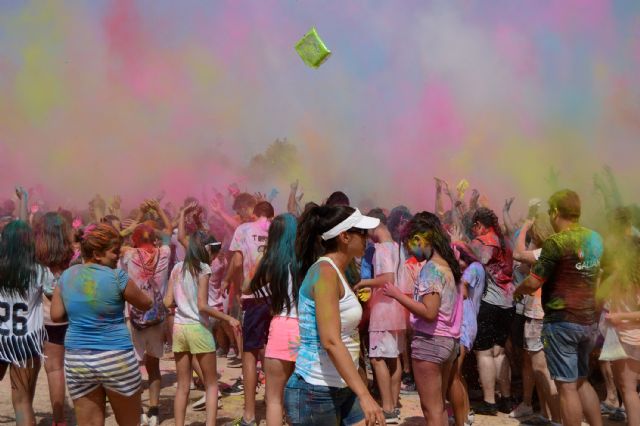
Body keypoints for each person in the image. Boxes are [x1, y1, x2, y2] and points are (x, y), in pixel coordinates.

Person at [284, 204, 385, 426]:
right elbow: (330, 340)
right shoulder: (325, 273)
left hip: (344, 385)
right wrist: (365, 395)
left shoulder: (338, 271)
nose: (367, 237)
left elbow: (346, 335)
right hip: (315, 391)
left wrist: (359, 380)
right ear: (344, 237)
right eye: (362, 232)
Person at [515, 189, 604, 426]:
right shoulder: (595, 238)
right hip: (588, 321)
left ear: (555, 212)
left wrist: (517, 290)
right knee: (582, 381)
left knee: (566, 387)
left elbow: (534, 281)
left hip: (562, 322)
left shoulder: (556, 242)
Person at [50, 223, 152, 426]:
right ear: (97, 253)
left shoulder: (67, 276)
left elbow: (56, 315)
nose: (118, 256)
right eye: (114, 252)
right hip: (116, 359)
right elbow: (145, 303)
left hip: (79, 361)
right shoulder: (117, 277)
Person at [384, 213, 463, 426]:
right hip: (447, 342)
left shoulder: (431, 269)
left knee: (432, 410)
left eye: (410, 243)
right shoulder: (447, 264)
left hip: (430, 342)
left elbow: (429, 312)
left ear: (420, 239)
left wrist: (397, 295)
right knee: (439, 406)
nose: (409, 250)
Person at [164, 230, 241, 426]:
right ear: (206, 249)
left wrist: (181, 304)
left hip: (180, 329)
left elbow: (167, 301)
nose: (213, 256)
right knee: (212, 384)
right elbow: (202, 305)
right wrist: (228, 318)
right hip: (198, 328)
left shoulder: (177, 269)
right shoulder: (203, 269)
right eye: (213, 251)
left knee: (183, 386)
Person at [119, 199, 172, 426]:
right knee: (154, 367)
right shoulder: (165, 253)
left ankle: (138, 411)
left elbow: (114, 239)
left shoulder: (129, 255)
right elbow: (169, 232)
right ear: (154, 239)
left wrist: (139, 215)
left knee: (133, 367)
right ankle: (154, 410)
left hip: (135, 318)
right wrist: (158, 210)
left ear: (135, 239)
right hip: (157, 318)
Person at [244, 213, 300, 426]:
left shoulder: (271, 261)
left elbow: (247, 288)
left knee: (274, 399)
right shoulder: (306, 259)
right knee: (298, 396)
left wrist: (262, 258)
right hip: (303, 328)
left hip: (280, 326)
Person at [223, 201, 274, 426]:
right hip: (276, 298)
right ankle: (276, 406)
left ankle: (250, 415)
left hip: (253, 298)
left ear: (254, 214)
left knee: (250, 354)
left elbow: (236, 260)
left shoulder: (243, 229)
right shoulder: (279, 229)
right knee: (272, 352)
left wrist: (227, 281)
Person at [354, 210, 406, 424]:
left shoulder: (382, 249)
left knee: (377, 359)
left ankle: (387, 407)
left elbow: (387, 278)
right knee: (393, 358)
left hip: (383, 311)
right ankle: (392, 404)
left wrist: (363, 283)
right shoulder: (397, 247)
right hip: (396, 310)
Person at [512, 216, 561, 424]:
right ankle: (546, 415)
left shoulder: (544, 252)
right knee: (541, 368)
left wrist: (524, 226)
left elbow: (517, 254)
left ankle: (556, 419)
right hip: (547, 314)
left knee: (541, 368)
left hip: (538, 315)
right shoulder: (556, 250)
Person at [0, 220, 47, 425]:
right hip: (24, 343)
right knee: (22, 402)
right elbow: (56, 303)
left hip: (0, 337)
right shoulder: (39, 271)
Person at [469, 207, 515, 415]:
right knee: (500, 352)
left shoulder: (482, 241)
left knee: (485, 353)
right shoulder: (505, 241)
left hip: (490, 302)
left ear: (479, 224)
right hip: (508, 303)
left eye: (474, 227)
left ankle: (489, 402)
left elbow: (477, 260)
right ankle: (505, 399)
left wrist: (461, 243)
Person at [35, 212, 74, 426]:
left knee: (54, 368)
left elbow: (47, 291)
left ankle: (59, 421)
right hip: (73, 317)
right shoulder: (73, 256)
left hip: (49, 320)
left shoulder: (38, 258)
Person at [450, 241, 484, 426]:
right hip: (466, 323)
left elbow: (462, 292)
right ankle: (465, 414)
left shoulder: (473, 268)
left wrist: (454, 268)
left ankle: (461, 419)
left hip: (464, 324)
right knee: (458, 374)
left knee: (454, 373)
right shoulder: (476, 267)